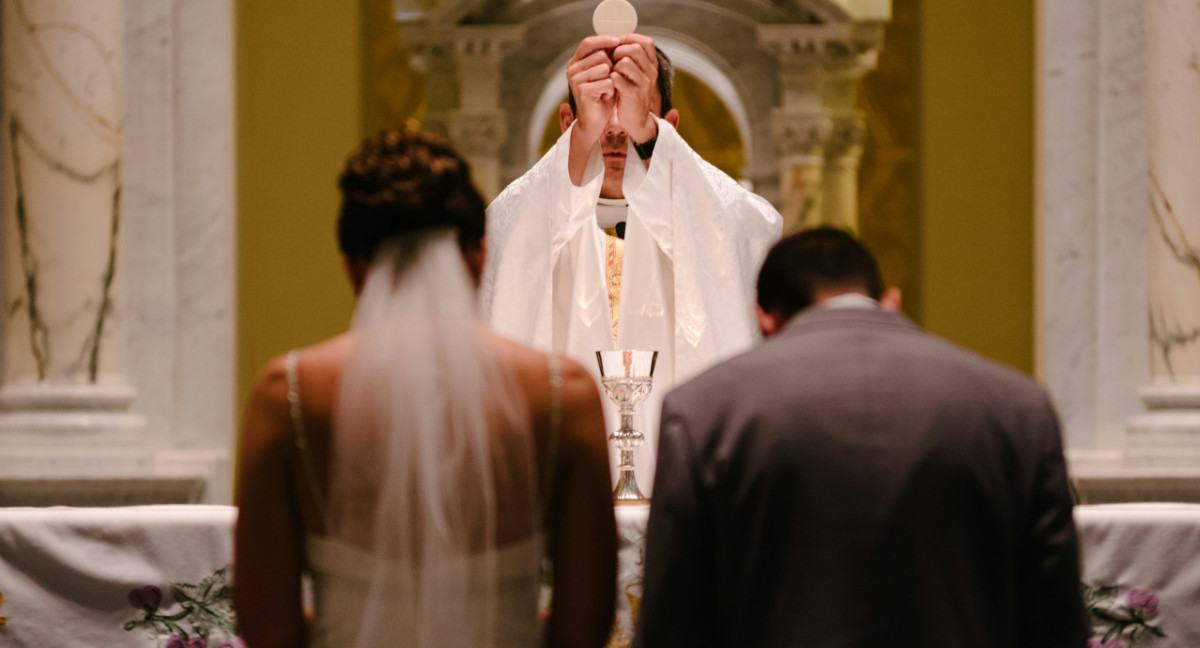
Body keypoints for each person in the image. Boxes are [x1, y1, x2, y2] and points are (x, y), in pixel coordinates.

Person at [234, 128, 617, 648]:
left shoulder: (289, 396)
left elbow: (267, 632)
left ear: (353, 264)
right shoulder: (562, 394)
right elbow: (583, 632)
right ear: (480, 255)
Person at [636, 227, 1087, 648]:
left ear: (765, 320)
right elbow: (1055, 619)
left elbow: (672, 623)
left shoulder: (702, 411)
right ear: (889, 301)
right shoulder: (1018, 406)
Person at [482, 34, 782, 492]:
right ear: (568, 121)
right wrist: (586, 136)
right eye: (601, 107)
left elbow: (752, 228)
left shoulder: (704, 213)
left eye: (635, 110)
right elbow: (504, 243)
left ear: (670, 127)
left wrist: (651, 138)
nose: (616, 128)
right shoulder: (533, 216)